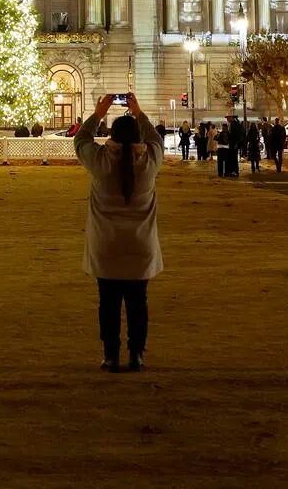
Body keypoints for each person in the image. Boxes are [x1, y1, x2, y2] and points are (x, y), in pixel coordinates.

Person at [73, 93, 163, 373]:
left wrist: (99, 112)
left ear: (111, 134)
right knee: (138, 304)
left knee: (108, 304)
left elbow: (81, 140)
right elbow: (156, 139)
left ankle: (110, 354)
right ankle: (136, 353)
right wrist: (138, 112)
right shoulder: (150, 161)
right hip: (140, 246)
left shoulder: (100, 161)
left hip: (107, 246)